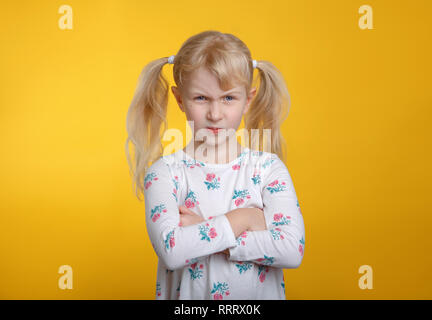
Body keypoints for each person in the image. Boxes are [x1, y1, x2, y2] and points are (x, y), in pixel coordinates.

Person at [125, 30, 305, 300]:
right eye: (201, 98)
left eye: (228, 98)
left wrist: (204, 230)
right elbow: (173, 251)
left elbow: (291, 250)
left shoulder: (268, 169)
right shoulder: (165, 173)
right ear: (180, 99)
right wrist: (244, 218)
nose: (215, 114)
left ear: (248, 99)